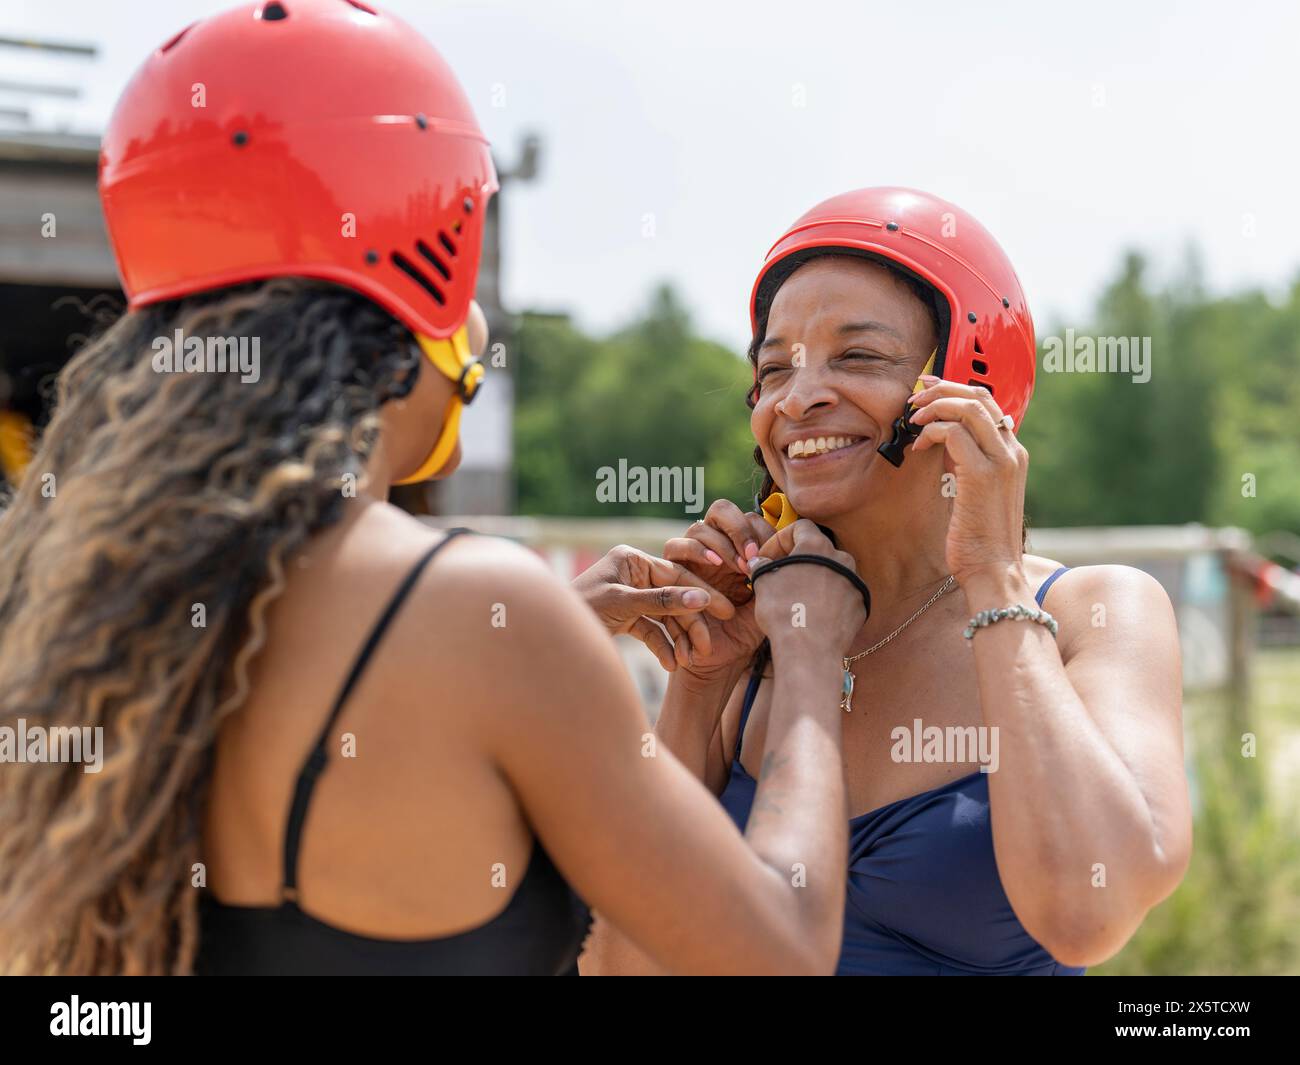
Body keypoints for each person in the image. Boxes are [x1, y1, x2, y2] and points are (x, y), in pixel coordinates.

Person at [0, 0, 864, 976]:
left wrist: (526, 644)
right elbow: (780, 950)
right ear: (432, 279)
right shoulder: (472, 607)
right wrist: (807, 658)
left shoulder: (68, 603)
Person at [584, 188, 1193, 975]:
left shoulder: (1094, 612)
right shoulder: (755, 638)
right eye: (774, 369)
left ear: (972, 386)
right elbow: (621, 967)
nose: (799, 398)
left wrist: (993, 576)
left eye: (858, 356)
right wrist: (701, 685)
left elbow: (1086, 912)